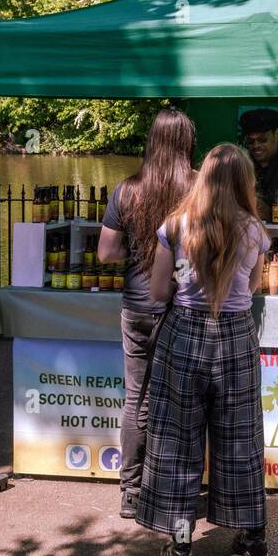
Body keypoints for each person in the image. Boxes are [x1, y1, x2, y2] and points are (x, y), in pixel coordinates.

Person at [139, 143, 270, 556]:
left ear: (203, 179)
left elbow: (158, 293)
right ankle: (253, 538)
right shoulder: (254, 230)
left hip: (184, 335)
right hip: (234, 336)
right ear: (243, 182)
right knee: (241, 439)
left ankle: (180, 548)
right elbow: (251, 287)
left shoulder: (175, 226)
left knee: (179, 442)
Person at [97, 108, 195, 519]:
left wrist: (138, 255)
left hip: (137, 306)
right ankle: (168, 488)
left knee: (136, 399)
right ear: (186, 144)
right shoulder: (195, 188)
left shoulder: (127, 189)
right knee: (179, 401)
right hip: (182, 307)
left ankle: (131, 490)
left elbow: (106, 253)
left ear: (151, 142)